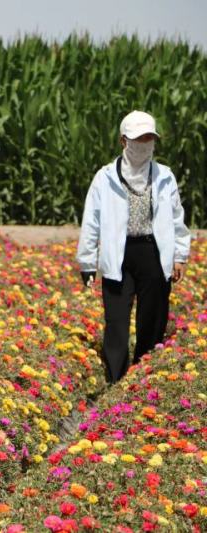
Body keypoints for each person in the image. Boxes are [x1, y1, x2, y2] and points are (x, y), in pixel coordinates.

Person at [77, 110, 190, 384]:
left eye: (149, 138)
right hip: (119, 253)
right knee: (116, 320)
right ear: (123, 141)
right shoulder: (105, 178)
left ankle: (143, 376)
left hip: (153, 252)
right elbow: (91, 221)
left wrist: (180, 255)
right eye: (138, 139)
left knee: (152, 318)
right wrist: (87, 263)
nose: (144, 145)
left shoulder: (165, 176)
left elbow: (177, 217)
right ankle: (116, 378)